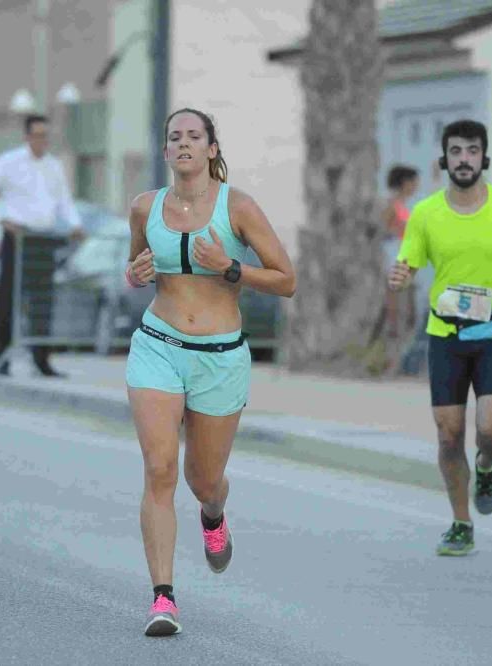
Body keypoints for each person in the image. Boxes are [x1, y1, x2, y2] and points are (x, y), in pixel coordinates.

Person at [124, 108, 295, 636]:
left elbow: (286, 280)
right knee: (159, 469)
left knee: (203, 481)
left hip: (220, 357)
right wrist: (134, 273)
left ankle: (214, 515)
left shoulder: (237, 207)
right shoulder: (144, 207)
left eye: (194, 137)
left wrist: (232, 268)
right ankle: (163, 598)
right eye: (174, 136)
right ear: (166, 150)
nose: (183, 144)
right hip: (157, 346)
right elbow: (137, 268)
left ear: (212, 149)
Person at [388, 120, 492, 556]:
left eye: (471, 150)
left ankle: (489, 464)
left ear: (484, 157)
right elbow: (408, 264)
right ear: (444, 159)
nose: (463, 158)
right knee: (448, 434)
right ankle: (461, 521)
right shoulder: (425, 213)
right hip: (446, 333)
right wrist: (400, 277)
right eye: (455, 151)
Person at [0, 114, 81, 377]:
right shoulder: (10, 162)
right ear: (27, 136)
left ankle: (41, 360)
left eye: (46, 135)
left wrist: (75, 223)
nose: (43, 141)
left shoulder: (54, 166)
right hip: (18, 239)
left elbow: (63, 200)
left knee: (43, 302)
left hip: (44, 239)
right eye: (38, 135)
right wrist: (1, 219)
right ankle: (1, 359)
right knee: (9, 299)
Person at [382, 165, 419, 338]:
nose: (416, 186)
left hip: (403, 255)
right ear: (405, 183)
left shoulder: (402, 205)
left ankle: (399, 329)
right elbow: (384, 229)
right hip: (393, 255)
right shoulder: (392, 204)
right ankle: (393, 329)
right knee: (395, 296)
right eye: (414, 182)